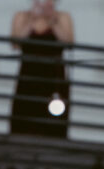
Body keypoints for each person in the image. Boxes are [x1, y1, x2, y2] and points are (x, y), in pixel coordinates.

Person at [10, 1, 74, 137]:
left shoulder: (63, 17)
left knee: (54, 124)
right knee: (23, 121)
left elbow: (69, 43)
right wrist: (32, 19)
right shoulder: (21, 16)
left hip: (54, 77)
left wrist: (52, 21)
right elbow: (15, 43)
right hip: (28, 77)